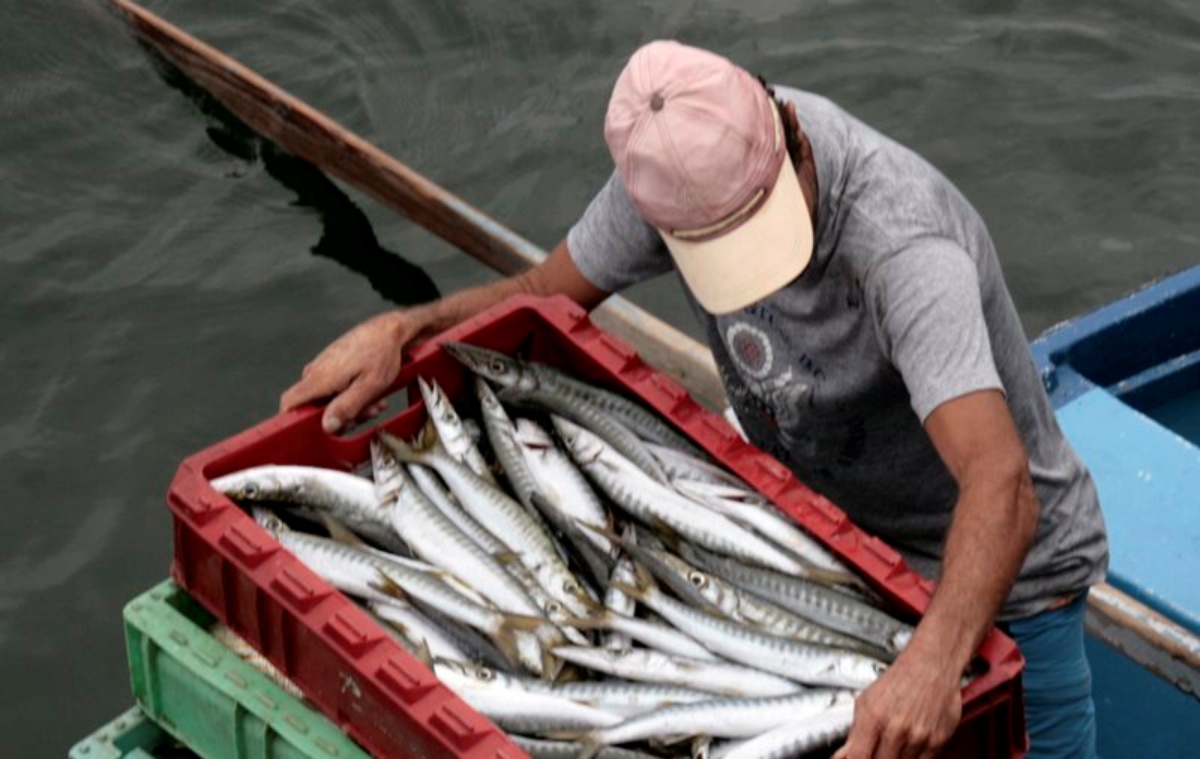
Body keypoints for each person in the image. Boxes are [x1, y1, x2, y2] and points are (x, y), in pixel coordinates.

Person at [281, 40, 1108, 759]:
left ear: (792, 145)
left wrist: (932, 663)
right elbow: (544, 294)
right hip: (819, 550)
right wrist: (404, 328)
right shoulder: (675, 170)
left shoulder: (901, 247)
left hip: (1003, 585)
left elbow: (1000, 482)